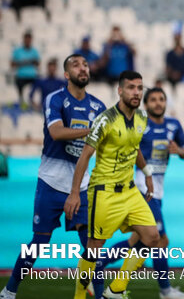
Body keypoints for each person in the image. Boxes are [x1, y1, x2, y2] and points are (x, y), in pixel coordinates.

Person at [0, 54, 106, 299]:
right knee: (38, 243)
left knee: (93, 246)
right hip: (51, 181)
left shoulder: (99, 107)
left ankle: (99, 295)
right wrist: (93, 130)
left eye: (86, 65)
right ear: (67, 75)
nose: (83, 68)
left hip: (81, 186)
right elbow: (56, 132)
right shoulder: (55, 99)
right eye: (76, 65)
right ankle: (9, 291)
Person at [64, 71, 158, 299]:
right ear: (120, 91)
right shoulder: (105, 119)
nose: (136, 92)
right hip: (104, 193)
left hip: (130, 191)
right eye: (131, 88)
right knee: (94, 249)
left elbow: (133, 148)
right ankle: (78, 296)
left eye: (139, 88)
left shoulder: (142, 118)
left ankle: (116, 289)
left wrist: (146, 172)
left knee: (152, 237)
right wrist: (75, 193)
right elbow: (85, 156)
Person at [93, 87, 184, 299]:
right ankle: (164, 291)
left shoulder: (173, 125)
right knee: (160, 240)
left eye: (161, 99)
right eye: (154, 100)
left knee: (137, 241)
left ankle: (97, 266)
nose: (158, 103)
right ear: (146, 105)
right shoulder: (141, 124)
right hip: (142, 187)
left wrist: (179, 150)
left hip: (159, 190)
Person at [11, 30, 40, 105]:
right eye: (26, 39)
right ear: (23, 39)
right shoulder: (18, 51)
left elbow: (38, 63)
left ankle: (33, 101)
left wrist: (29, 62)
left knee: (39, 82)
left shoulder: (34, 51)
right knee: (18, 84)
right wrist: (24, 62)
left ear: (31, 40)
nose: (27, 41)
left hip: (32, 76)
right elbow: (12, 64)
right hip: (21, 76)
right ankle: (21, 101)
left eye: (29, 39)